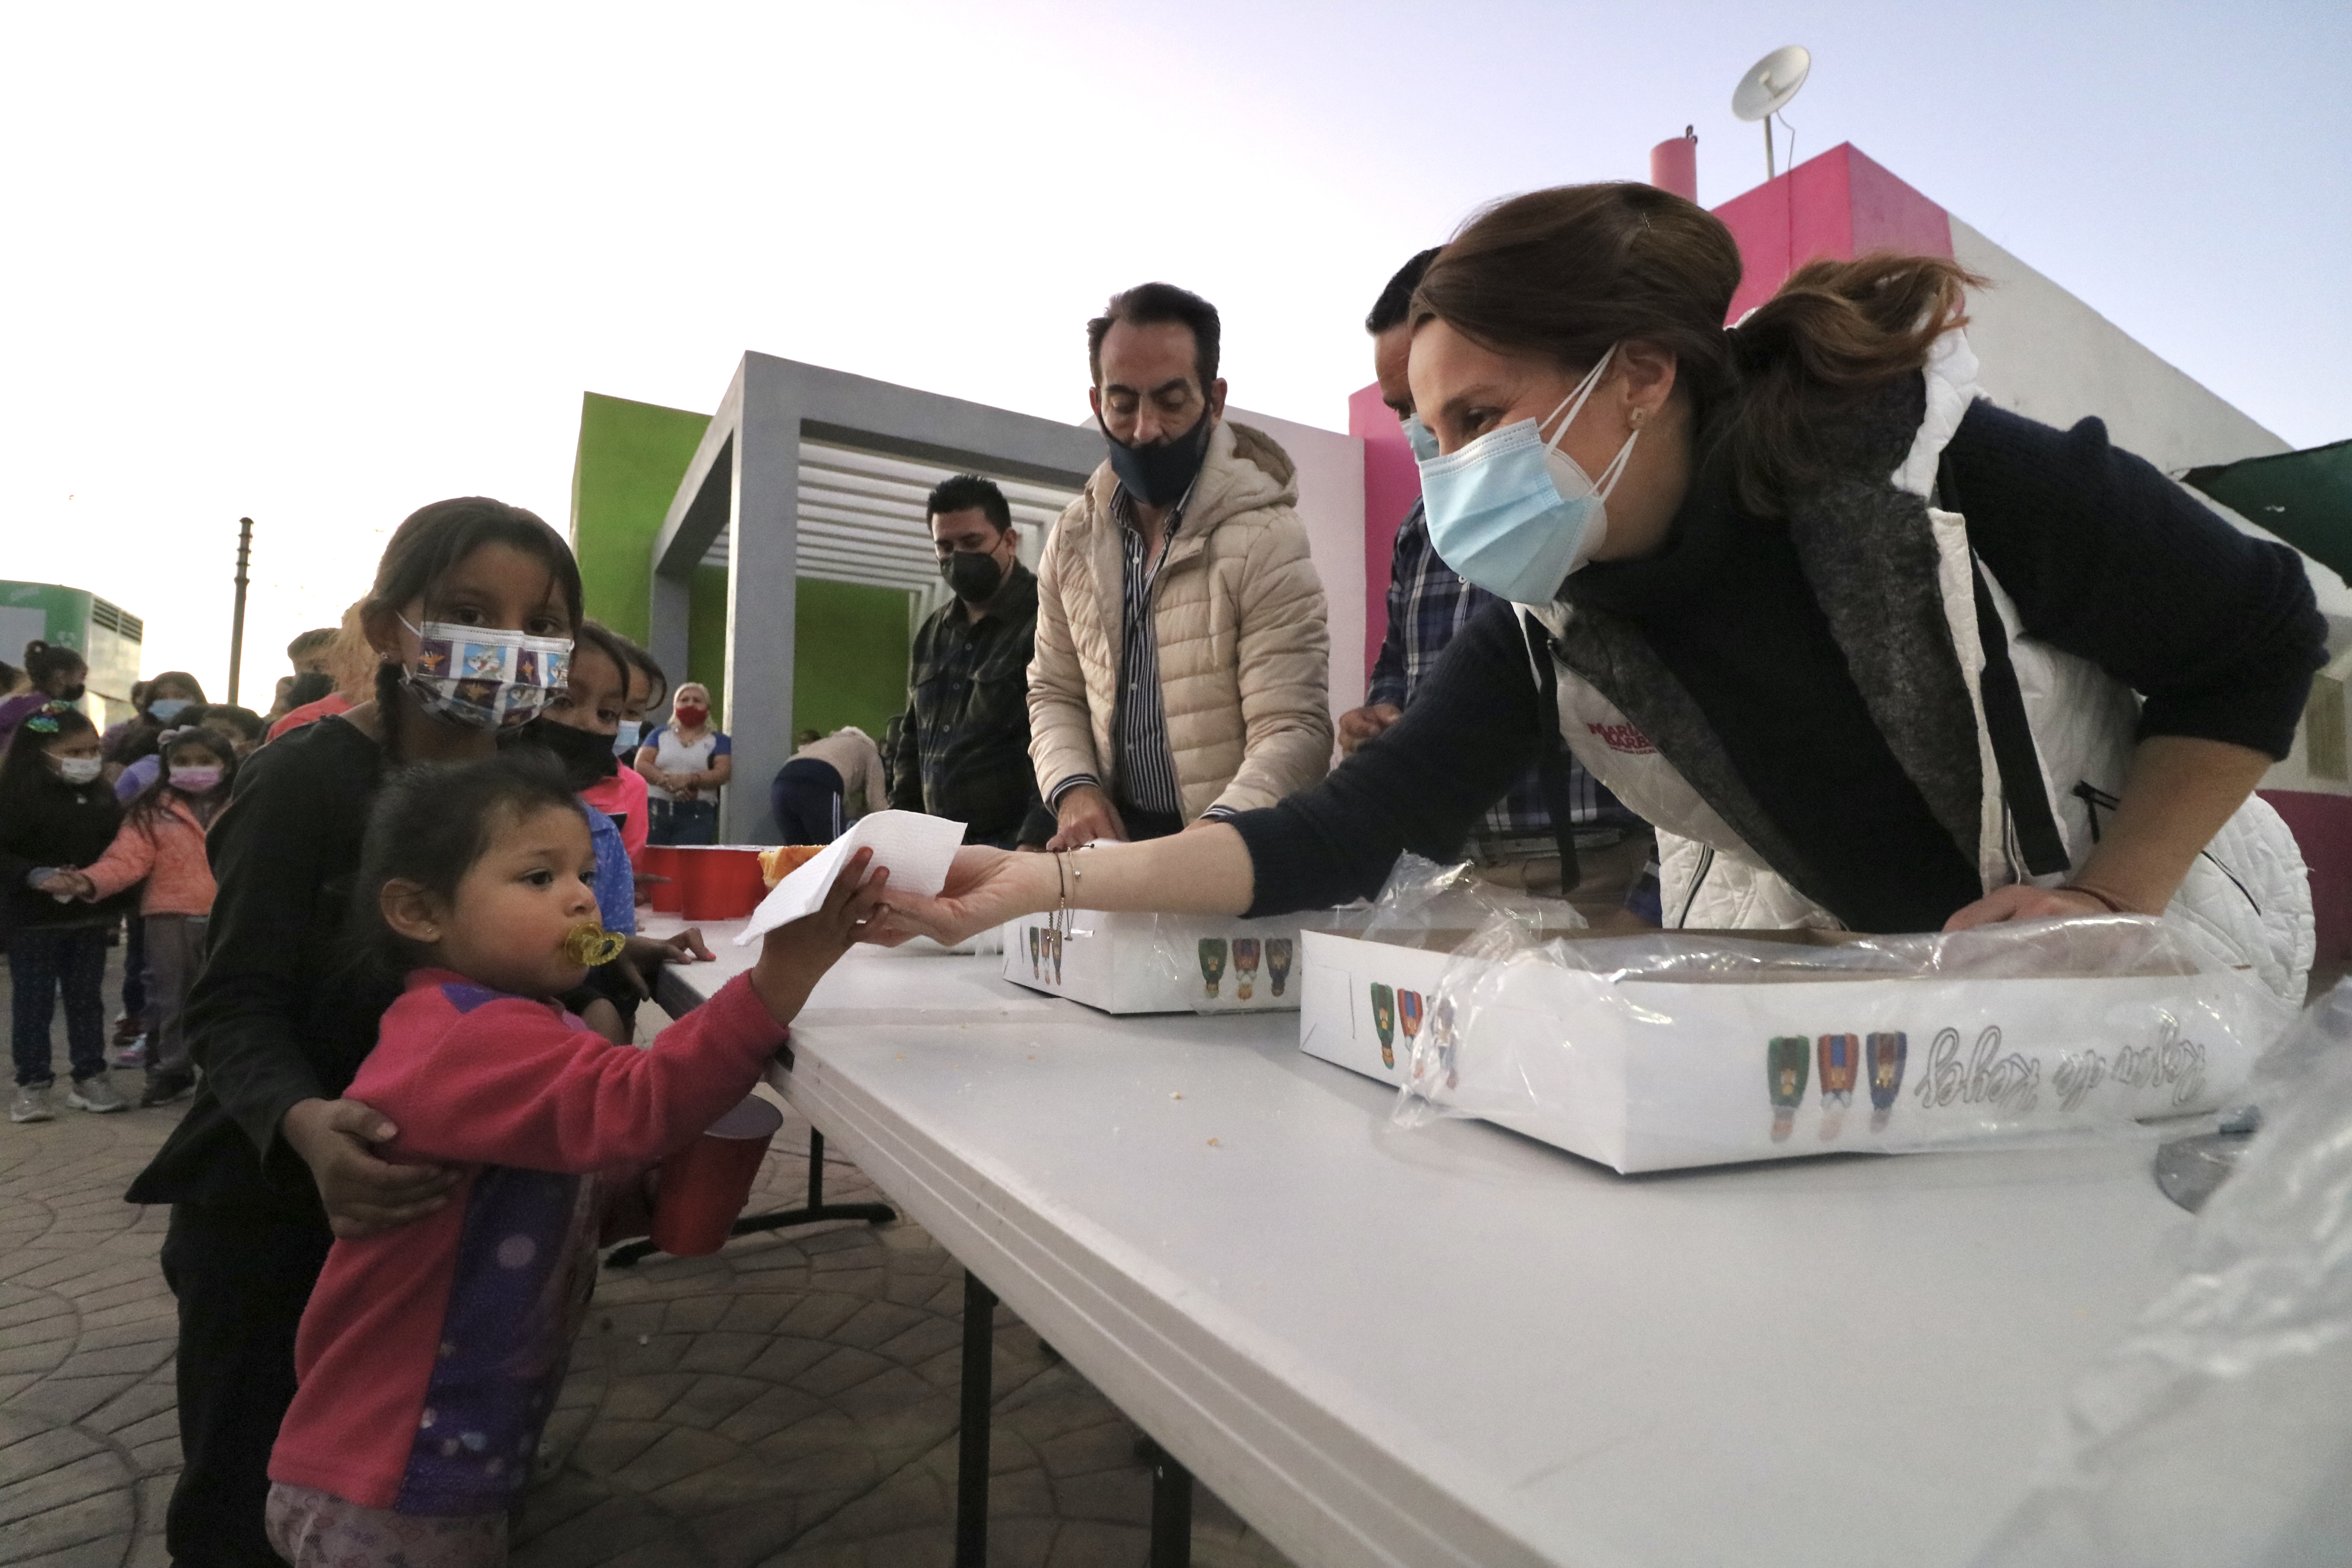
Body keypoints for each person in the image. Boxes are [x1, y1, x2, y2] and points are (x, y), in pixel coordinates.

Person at [876, 182, 2323, 1015]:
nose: (1448, 475)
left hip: (2166, 951)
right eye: (1427, 435)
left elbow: (2257, 633)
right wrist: (1039, 882)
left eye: (1478, 414)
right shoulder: (1553, 618)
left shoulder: (1935, 472)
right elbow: (1337, 832)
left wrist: (2101, 904)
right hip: (1929, 999)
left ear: (1636, 369)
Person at [125, 496, 711, 1564]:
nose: (513, 645)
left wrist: (605, 957)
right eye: (470, 610)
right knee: (248, 1495)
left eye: (543, 623)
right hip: (283, 1206)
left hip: (439, 1218)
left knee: (401, 1487)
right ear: (394, 628)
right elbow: (231, 998)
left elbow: (513, 921)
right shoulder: (302, 779)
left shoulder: (522, 781)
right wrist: (304, 1123)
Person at [259, 752, 883, 1565]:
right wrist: (779, 978)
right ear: (419, 910)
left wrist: (635, 1197)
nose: (583, 895)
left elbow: (536, 1175)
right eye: (537, 877)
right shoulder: (467, 1034)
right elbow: (638, 1098)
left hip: (445, 1448)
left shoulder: (524, 1016)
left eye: (585, 871)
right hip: (392, 1470)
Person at [1343, 247, 1651, 916]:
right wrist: (1383, 722)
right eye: (1408, 413)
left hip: (1602, 867)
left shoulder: (1589, 508)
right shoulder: (1421, 532)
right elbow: (1398, 667)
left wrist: (1653, 893)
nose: (1429, 440)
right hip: (1458, 873)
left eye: (1474, 415)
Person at [1030, 282, 1333, 851]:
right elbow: (1054, 691)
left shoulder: (1267, 537)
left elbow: (1294, 728)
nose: (1145, 430)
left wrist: (1214, 837)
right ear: (1097, 403)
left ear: (1214, 402)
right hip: (1113, 845)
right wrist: (1074, 791)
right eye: (1123, 404)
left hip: (1230, 842)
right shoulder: (1071, 538)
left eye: (1172, 402)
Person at [58, 724, 239, 1106]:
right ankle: (171, 1070)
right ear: (168, 766)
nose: (194, 768)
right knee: (168, 998)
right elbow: (127, 859)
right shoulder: (151, 810)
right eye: (184, 761)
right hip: (168, 916)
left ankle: (229, 1072)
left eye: (205, 761)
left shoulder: (245, 805)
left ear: (226, 763)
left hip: (230, 914)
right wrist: (89, 881)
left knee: (230, 996)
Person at [889, 474, 1053, 849]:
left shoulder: (1048, 618)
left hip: (1016, 847)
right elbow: (912, 742)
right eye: (944, 547)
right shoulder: (934, 631)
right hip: (938, 850)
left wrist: (1034, 842)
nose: (957, 557)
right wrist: (901, 834)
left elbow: (1066, 736)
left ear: (1010, 541)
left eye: (971, 542)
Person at [3, 703, 138, 1121]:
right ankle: (33, 1083)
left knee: (86, 1001)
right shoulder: (12, 797)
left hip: (88, 918)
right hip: (33, 920)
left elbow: (118, 851)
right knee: (33, 1002)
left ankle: (90, 1076)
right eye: (74, 752)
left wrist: (93, 883)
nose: (86, 760)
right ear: (40, 752)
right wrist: (34, 874)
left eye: (91, 751)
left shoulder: (103, 797)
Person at [577, 622, 654, 873]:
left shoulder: (633, 787)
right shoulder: (513, 771)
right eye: (608, 711)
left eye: (632, 712)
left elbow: (627, 875)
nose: (617, 722)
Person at [635, 682, 729, 845]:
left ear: (708, 708)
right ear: (675, 706)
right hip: (655, 810)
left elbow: (723, 772)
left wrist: (690, 780)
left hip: (698, 813)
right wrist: (667, 782)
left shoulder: (719, 741)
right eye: (684, 700)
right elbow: (642, 764)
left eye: (697, 700)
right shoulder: (659, 735)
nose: (690, 704)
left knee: (690, 865)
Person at [269, 609, 373, 741]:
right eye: (298, 672)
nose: (306, 679)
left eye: (319, 667)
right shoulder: (296, 720)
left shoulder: (298, 722)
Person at [772, 724, 887, 844]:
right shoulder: (871, 752)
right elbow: (879, 806)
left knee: (798, 855)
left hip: (782, 782)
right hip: (820, 781)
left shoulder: (826, 743)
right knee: (835, 851)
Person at [0, 640, 91, 752]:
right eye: (82, 677)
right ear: (62, 677)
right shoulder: (50, 711)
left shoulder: (15, 703)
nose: (82, 684)